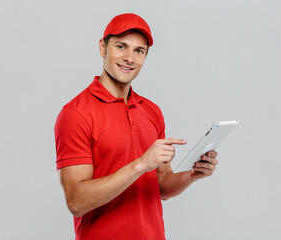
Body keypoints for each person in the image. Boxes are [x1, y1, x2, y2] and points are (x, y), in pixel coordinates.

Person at [54, 13, 218, 240]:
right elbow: (76, 201)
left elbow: (161, 185)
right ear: (103, 48)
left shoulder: (152, 111)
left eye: (138, 51)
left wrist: (192, 174)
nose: (129, 58)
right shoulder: (76, 114)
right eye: (121, 46)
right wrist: (141, 164)